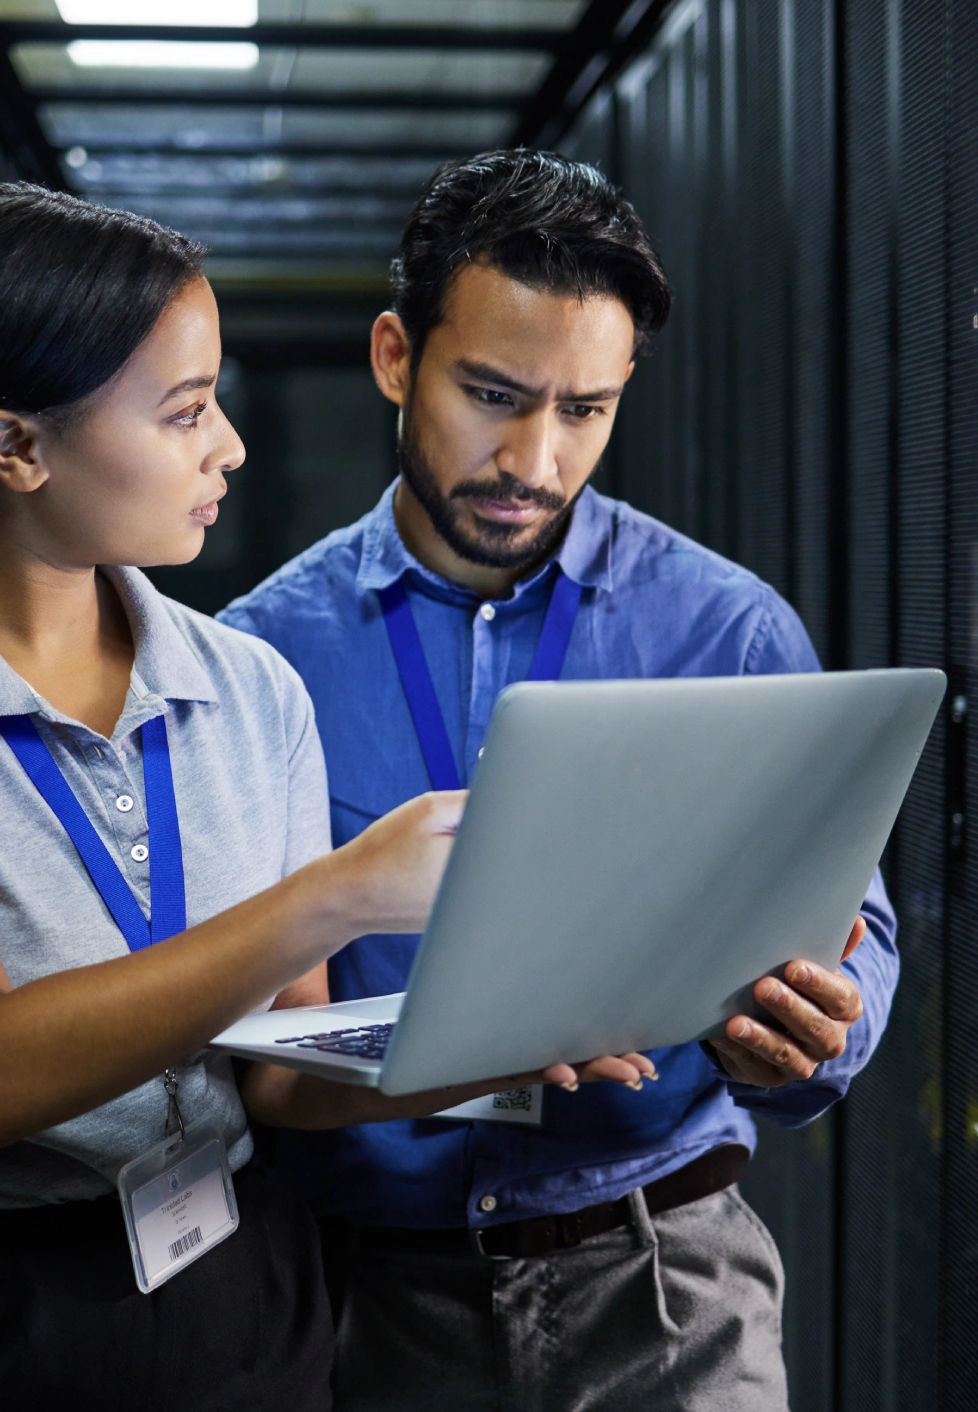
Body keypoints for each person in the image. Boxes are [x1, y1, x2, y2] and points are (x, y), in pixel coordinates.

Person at [0, 184, 648, 1412]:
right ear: (18, 447)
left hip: (238, 1298)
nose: (232, 445)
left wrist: (494, 1045)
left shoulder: (250, 686)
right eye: (186, 411)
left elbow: (275, 1070)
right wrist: (337, 894)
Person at [219, 150, 893, 1412]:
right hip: (360, 1301)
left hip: (665, 1289)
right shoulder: (258, 659)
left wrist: (815, 1023)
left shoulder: (730, 634)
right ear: (391, 357)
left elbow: (855, 926)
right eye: (492, 393)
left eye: (584, 409)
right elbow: (234, 1022)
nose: (533, 457)